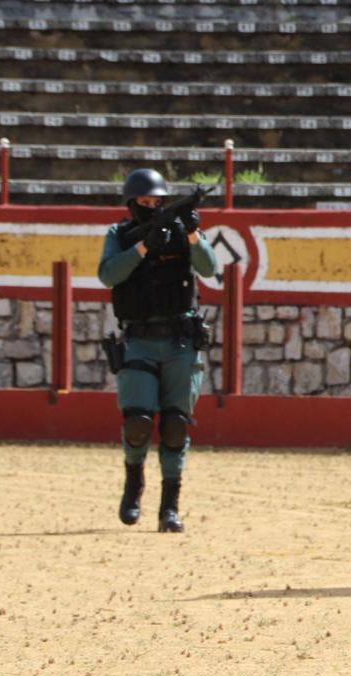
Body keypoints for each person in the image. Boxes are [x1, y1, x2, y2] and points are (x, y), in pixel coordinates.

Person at [98, 169, 219, 533]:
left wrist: (194, 233)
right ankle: (134, 484)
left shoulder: (182, 232)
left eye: (157, 202)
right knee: (137, 424)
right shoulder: (119, 235)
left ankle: (170, 506)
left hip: (180, 341)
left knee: (175, 426)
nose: (152, 207)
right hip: (139, 339)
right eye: (145, 202)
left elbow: (209, 268)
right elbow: (109, 275)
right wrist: (144, 246)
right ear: (132, 204)